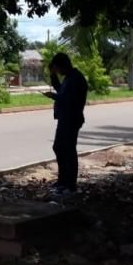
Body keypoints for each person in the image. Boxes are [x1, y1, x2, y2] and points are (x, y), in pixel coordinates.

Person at [42, 53, 88, 194]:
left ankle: (70, 184)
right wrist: (52, 76)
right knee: (60, 148)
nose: (58, 72)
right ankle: (63, 181)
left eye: (57, 69)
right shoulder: (70, 77)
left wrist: (53, 96)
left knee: (68, 150)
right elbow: (61, 90)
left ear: (63, 65)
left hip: (71, 118)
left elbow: (68, 100)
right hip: (65, 118)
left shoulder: (75, 78)